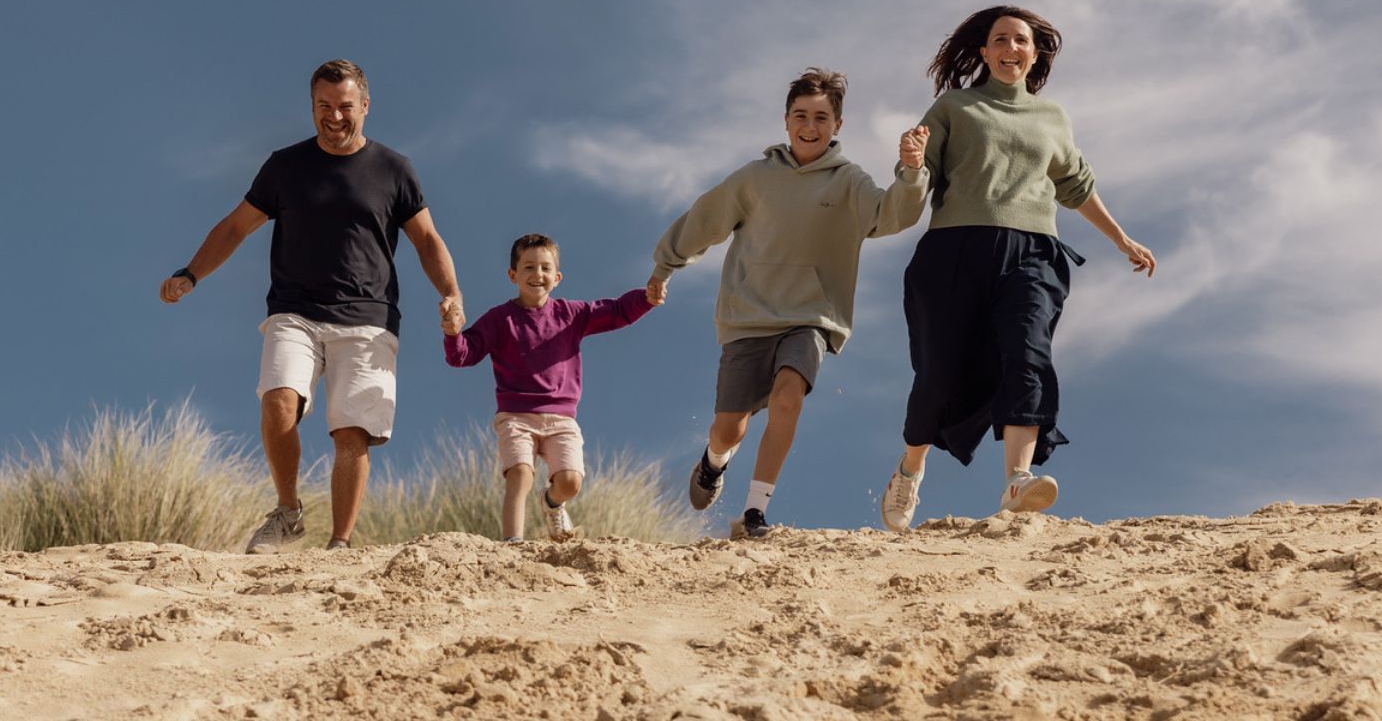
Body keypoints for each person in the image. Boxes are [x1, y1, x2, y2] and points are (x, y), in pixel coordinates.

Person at [160, 59, 463, 552]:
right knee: (278, 402)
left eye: (345, 106)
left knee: (351, 432)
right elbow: (236, 226)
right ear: (312, 106)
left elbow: (427, 239)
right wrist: (190, 273)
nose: (334, 116)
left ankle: (339, 543)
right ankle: (288, 512)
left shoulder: (394, 169)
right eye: (324, 106)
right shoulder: (285, 166)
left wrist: (451, 292)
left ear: (365, 106)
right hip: (294, 310)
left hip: (368, 318)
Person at [879, 7, 1156, 531]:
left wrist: (1121, 239)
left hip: (1034, 251)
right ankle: (910, 468)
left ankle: (1017, 479)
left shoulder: (1052, 117)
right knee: (939, 376)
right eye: (1000, 40)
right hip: (954, 250)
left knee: (1029, 354)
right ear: (984, 53)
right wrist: (912, 165)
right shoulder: (955, 106)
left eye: (1021, 40)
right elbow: (921, 175)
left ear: (1034, 53)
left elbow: (1075, 184)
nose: (1011, 48)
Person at [648, 68, 929, 538]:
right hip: (749, 316)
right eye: (801, 115)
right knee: (729, 429)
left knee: (788, 397)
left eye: (821, 117)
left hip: (811, 317)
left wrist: (912, 172)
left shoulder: (849, 181)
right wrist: (665, 266)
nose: (810, 126)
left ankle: (754, 512)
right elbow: (706, 219)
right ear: (786, 120)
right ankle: (713, 462)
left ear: (837, 125)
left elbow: (891, 214)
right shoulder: (756, 177)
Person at [444, 233, 656, 541]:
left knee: (570, 482)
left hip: (561, 419)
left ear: (557, 278)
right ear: (513, 275)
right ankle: (512, 543)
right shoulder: (499, 319)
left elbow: (617, 312)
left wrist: (647, 297)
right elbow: (463, 355)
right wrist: (453, 333)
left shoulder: (571, 314)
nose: (537, 274)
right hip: (516, 417)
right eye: (529, 267)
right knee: (520, 474)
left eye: (545, 268)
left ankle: (552, 502)